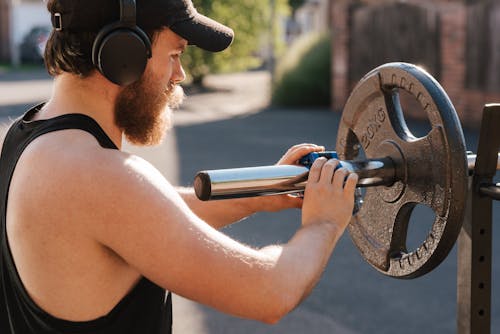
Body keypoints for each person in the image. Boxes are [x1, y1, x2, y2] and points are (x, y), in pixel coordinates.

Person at [0, 0, 358, 333]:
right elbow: (270, 290)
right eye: (173, 54)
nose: (180, 74)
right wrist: (324, 221)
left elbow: (149, 216)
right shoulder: (98, 175)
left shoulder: (30, 136)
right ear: (122, 53)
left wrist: (263, 193)